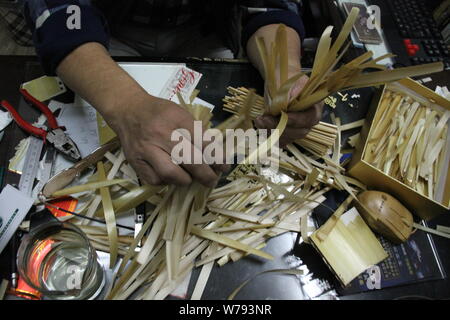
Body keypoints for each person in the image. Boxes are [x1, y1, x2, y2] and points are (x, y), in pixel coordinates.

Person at [18, 0, 323, 188]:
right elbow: (61, 13)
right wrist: (127, 105)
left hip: (205, 28)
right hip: (104, 31)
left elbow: (270, 5)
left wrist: (284, 76)